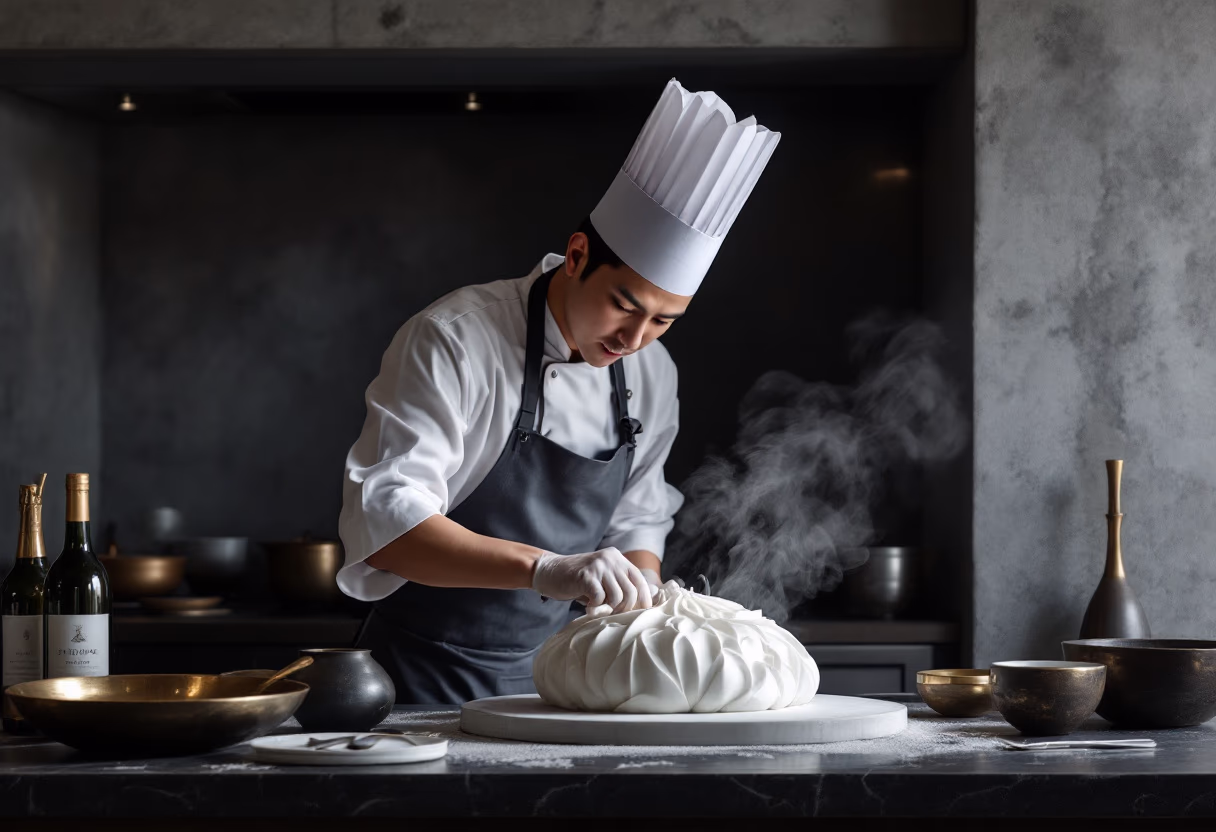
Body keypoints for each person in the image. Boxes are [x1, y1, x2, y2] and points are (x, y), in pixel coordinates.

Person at [337, 78, 781, 704]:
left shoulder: (652, 375)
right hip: (418, 679)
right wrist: (549, 569)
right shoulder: (454, 339)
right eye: (624, 305)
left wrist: (642, 604)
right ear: (577, 255)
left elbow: (638, 520)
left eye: (663, 321)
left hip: (562, 683)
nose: (634, 337)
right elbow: (391, 525)